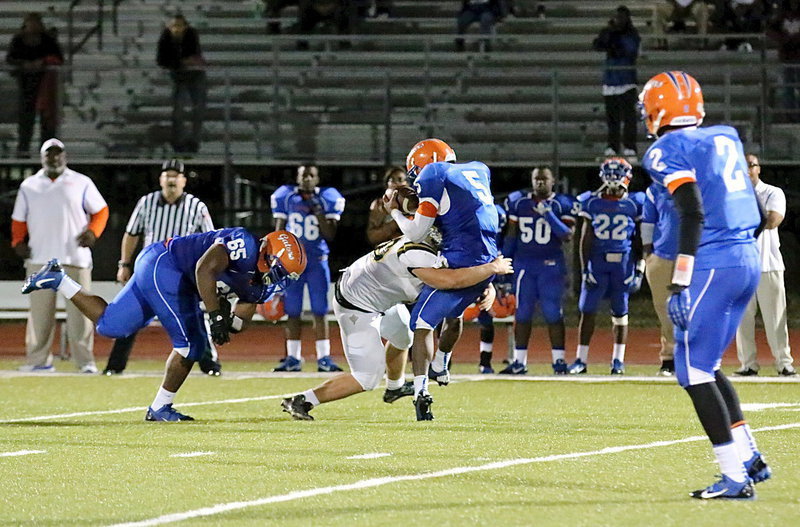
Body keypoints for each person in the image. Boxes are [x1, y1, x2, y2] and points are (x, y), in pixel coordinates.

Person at [640, 70, 770, 499]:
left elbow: (691, 211)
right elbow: (753, 205)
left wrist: (680, 280)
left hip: (713, 261)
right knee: (708, 364)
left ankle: (734, 476)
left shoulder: (666, 149)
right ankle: (749, 455)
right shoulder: (727, 136)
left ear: (658, 110)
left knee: (691, 370)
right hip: (746, 255)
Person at [22, 229, 307, 421]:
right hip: (165, 264)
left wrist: (227, 322)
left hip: (162, 271)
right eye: (279, 271)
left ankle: (59, 278)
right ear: (267, 253)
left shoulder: (263, 287)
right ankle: (160, 408)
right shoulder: (242, 244)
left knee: (111, 327)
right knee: (190, 345)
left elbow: (241, 321)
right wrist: (215, 314)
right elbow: (203, 268)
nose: (279, 281)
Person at [281, 229, 512, 420]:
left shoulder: (426, 243)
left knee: (403, 335)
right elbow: (452, 280)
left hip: (381, 295)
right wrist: (490, 272)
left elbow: (462, 273)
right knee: (367, 377)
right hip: (356, 305)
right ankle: (303, 400)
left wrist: (487, 286)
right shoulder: (419, 254)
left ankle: (394, 387)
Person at [387, 138, 499, 421]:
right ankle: (442, 363)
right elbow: (461, 212)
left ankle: (421, 392)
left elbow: (415, 234)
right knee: (454, 313)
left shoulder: (432, 174)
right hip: (487, 255)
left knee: (422, 323)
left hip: (460, 260)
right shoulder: (477, 169)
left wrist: (396, 212)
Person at [103, 159, 220, 376]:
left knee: (194, 317)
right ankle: (114, 366)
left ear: (184, 181)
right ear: (161, 179)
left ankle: (210, 365)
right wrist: (124, 264)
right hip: (148, 272)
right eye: (167, 175)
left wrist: (204, 273)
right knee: (130, 314)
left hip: (181, 274)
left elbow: (210, 241)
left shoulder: (196, 206)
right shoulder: (146, 202)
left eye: (176, 175)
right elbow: (131, 233)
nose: (171, 179)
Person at [11, 139, 108, 373]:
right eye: (48, 155)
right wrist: (17, 241)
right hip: (40, 258)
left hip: (75, 257)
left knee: (81, 314)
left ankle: (85, 362)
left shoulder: (81, 182)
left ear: (65, 157)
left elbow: (101, 210)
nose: (53, 159)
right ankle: (38, 361)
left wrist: (93, 233)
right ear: (42, 157)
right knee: (39, 315)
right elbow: (19, 219)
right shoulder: (29, 185)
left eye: (57, 154)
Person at [569, 158, 644, 375]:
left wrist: (640, 267)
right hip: (598, 263)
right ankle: (581, 360)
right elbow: (585, 239)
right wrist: (584, 270)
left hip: (623, 263)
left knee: (621, 312)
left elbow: (639, 239)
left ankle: (618, 361)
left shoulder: (635, 203)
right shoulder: (590, 202)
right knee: (587, 310)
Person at [500, 167, 578, 375]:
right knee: (523, 313)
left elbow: (567, 235)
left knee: (553, 313)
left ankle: (559, 361)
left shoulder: (563, 203)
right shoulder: (519, 202)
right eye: (537, 179)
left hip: (551, 265)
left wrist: (549, 215)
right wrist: (503, 263)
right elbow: (511, 235)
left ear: (553, 181)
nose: (540, 183)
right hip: (524, 265)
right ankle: (519, 362)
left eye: (544, 179)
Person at [270, 164, 345, 372]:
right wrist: (276, 257)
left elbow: (330, 234)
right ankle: (293, 357)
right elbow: (278, 231)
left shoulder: (327, 198)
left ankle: (324, 358)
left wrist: (319, 211)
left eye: (311, 175)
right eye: (304, 176)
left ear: (317, 179)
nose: (307, 179)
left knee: (320, 311)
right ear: (298, 178)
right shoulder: (286, 197)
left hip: (316, 261)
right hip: (292, 261)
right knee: (292, 311)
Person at [734, 153, 796, 376]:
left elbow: (772, 220)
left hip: (768, 263)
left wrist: (740, 222)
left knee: (775, 317)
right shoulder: (732, 195)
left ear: (758, 168)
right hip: (741, 265)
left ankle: (783, 363)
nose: (748, 170)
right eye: (743, 166)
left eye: (751, 165)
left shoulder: (772, 192)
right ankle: (748, 364)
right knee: (742, 318)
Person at [5, 13, 64, 157]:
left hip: (46, 84)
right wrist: (24, 65)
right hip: (26, 85)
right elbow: (10, 59)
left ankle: (48, 150)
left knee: (47, 120)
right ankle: (23, 149)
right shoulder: (19, 40)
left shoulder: (47, 40)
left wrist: (43, 62)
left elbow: (58, 58)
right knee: (26, 118)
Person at [592, 5, 640, 159]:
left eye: (622, 17)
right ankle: (612, 146)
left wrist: (614, 40)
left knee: (628, 117)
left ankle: (630, 146)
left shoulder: (632, 34)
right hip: (610, 80)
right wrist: (608, 34)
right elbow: (598, 45)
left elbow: (628, 50)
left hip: (626, 80)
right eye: (617, 17)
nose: (618, 20)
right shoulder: (609, 32)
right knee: (612, 118)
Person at [641, 182, 678, 376]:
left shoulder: (699, 183)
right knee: (665, 310)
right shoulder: (655, 189)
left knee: (696, 308)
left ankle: (698, 357)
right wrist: (648, 253)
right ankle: (669, 358)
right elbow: (648, 221)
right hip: (662, 255)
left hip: (694, 256)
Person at [156, 14, 206, 153]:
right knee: (178, 111)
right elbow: (162, 60)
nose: (177, 29)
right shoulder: (166, 37)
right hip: (179, 76)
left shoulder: (191, 34)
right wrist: (181, 61)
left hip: (195, 74)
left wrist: (178, 61)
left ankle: (194, 141)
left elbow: (193, 55)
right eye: (174, 26)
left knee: (198, 109)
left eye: (180, 26)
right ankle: (179, 141)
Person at [766, 0, 800, 122]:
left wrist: (795, 38)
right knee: (788, 89)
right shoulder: (781, 17)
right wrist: (784, 39)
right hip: (787, 57)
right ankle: (790, 116)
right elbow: (770, 31)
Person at [366, 166, 406, 247]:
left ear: (407, 182)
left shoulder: (414, 203)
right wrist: (394, 224)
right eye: (392, 180)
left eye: (400, 179)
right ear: (386, 183)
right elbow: (372, 237)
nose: (396, 183)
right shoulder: (378, 204)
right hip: (385, 252)